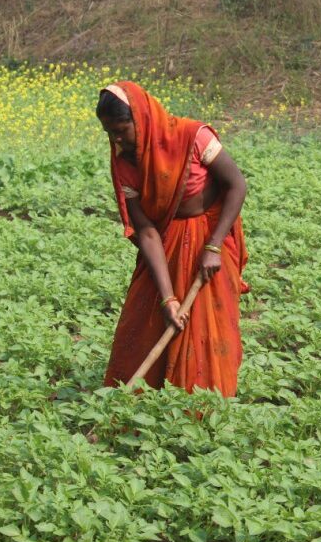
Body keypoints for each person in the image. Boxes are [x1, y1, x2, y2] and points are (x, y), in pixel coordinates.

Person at [97, 81, 249, 396]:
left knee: (205, 329)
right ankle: (137, 404)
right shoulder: (125, 163)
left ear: (140, 119)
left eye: (122, 129)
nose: (117, 139)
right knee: (142, 325)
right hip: (163, 245)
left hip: (208, 238)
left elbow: (236, 184)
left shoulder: (193, 137)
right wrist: (167, 297)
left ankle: (202, 406)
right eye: (109, 132)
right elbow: (147, 231)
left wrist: (213, 247)